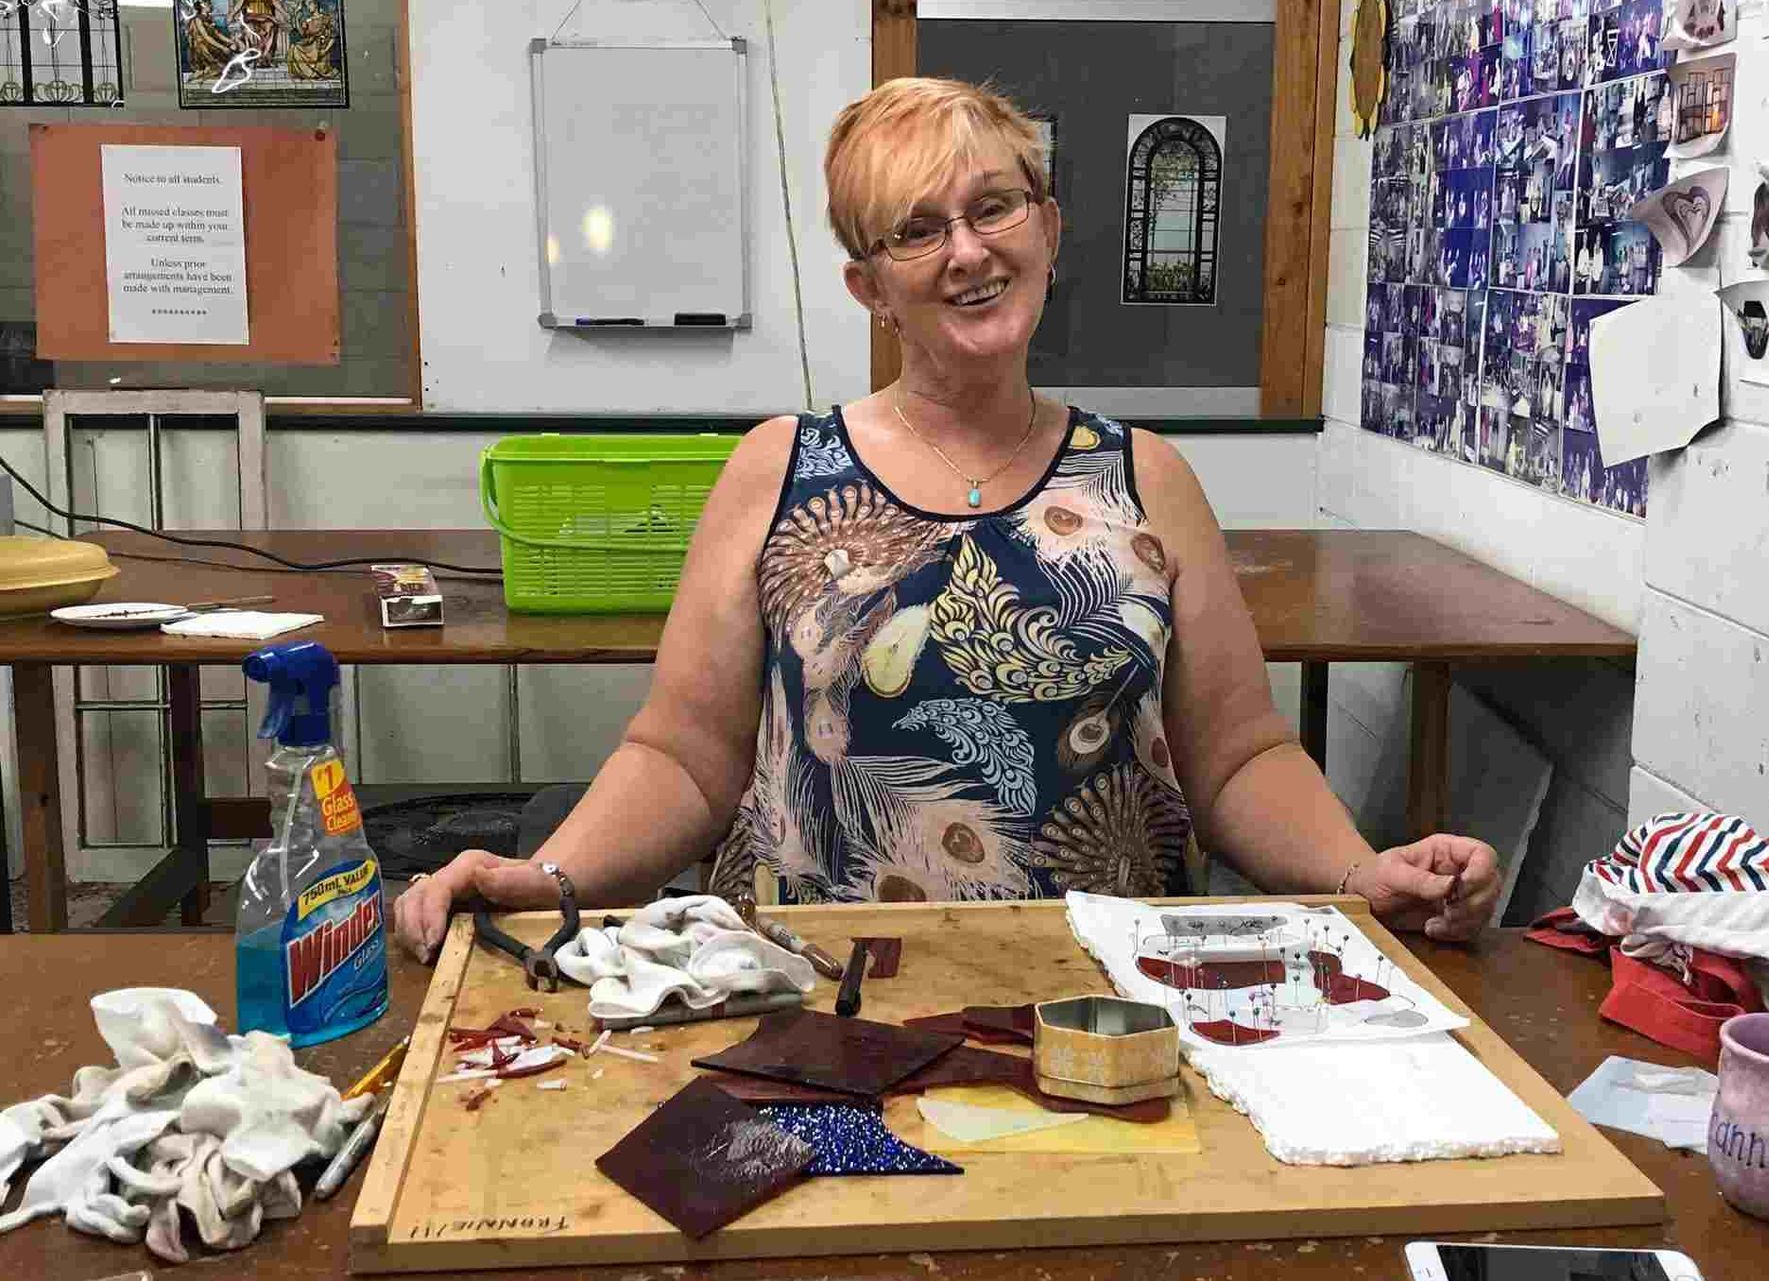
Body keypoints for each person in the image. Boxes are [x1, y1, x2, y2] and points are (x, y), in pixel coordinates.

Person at [394, 79, 1500, 962]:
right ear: (869, 287)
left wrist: (1362, 873)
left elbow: (1239, 756)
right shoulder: (780, 472)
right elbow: (683, 757)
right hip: (815, 1005)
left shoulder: (1146, 479)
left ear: (1048, 229)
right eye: (916, 231)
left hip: (1103, 1007)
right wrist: (548, 878)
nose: (967, 252)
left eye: (993, 207)